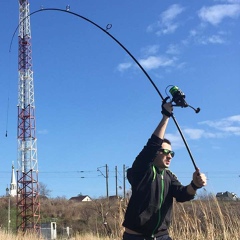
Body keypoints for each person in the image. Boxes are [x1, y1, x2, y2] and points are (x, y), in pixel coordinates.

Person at [122, 101, 207, 240]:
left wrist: (195, 185)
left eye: (172, 153)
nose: (169, 156)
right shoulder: (141, 171)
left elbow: (182, 194)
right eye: (165, 151)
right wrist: (165, 117)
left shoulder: (169, 176)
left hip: (162, 236)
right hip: (135, 237)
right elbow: (151, 147)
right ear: (156, 153)